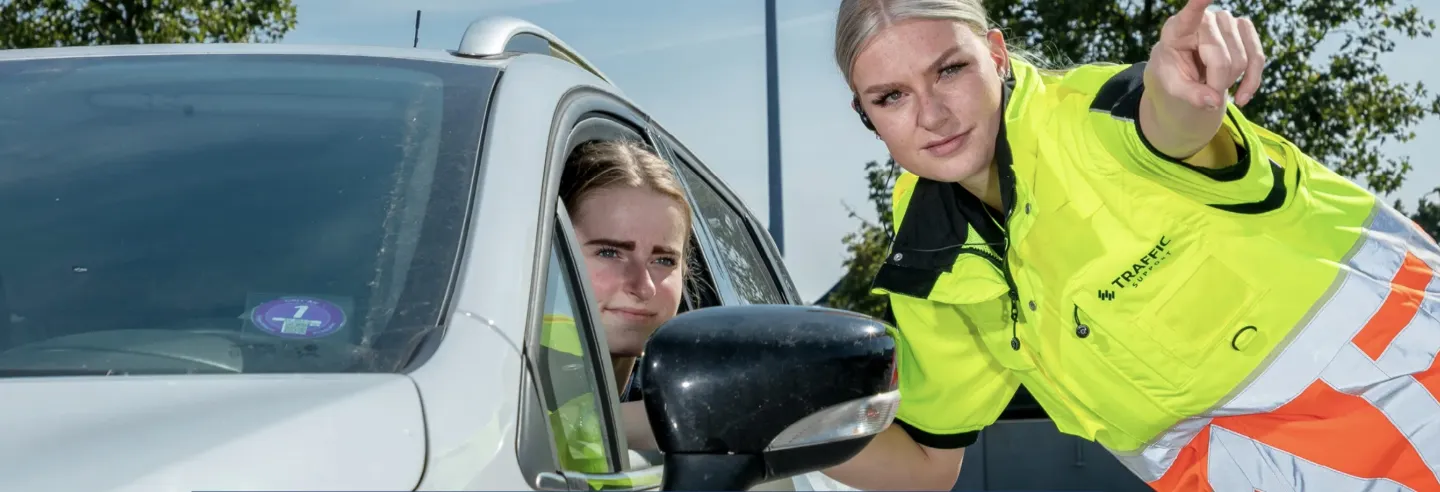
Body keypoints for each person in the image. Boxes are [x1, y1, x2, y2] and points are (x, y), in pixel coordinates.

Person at [822, 0, 1440, 490]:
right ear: (866, 114)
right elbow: (928, 466)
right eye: (892, 97)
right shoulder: (933, 261)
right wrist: (756, 429)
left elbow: (1168, 130)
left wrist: (1186, 96)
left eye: (949, 69)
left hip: (1406, 398)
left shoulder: (1100, 120)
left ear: (997, 54)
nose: (931, 114)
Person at [541, 139, 692, 475]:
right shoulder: (496, 376)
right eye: (609, 252)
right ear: (548, 253)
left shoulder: (689, 382)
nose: (644, 286)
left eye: (663, 260)